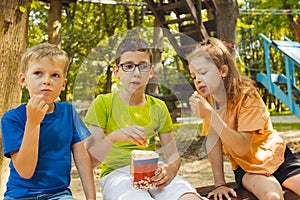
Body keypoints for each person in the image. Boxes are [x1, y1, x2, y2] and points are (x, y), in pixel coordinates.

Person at [84, 37, 206, 200]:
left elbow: (173, 155)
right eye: (128, 66)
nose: (136, 73)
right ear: (116, 72)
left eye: (142, 66)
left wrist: (170, 169)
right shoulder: (103, 104)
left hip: (154, 171)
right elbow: (89, 162)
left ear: (151, 72)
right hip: (116, 175)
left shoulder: (158, 107)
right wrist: (114, 137)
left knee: (189, 198)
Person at [188, 37, 300, 200]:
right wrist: (219, 184)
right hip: (247, 167)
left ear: (223, 71)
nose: (197, 79)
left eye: (203, 72)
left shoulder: (247, 95)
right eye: (193, 76)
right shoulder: (207, 100)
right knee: (272, 196)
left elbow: (242, 146)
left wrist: (210, 114)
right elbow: (214, 142)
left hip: (278, 157)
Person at [1, 43, 96, 199]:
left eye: (55, 75)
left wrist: (91, 198)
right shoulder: (12, 119)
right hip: (19, 195)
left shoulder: (68, 112)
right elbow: (25, 171)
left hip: (58, 194)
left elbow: (82, 158)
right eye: (38, 73)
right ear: (23, 80)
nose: (47, 81)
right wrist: (33, 122)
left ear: (63, 84)